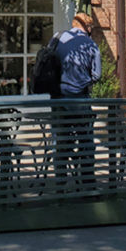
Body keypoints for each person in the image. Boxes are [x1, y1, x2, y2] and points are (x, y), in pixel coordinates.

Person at [50, 13, 101, 191]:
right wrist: (81, 81)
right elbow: (97, 75)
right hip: (80, 100)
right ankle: (87, 181)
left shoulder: (57, 39)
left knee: (61, 143)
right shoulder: (90, 44)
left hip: (58, 101)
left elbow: (47, 64)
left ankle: (60, 183)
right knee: (86, 142)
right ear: (87, 27)